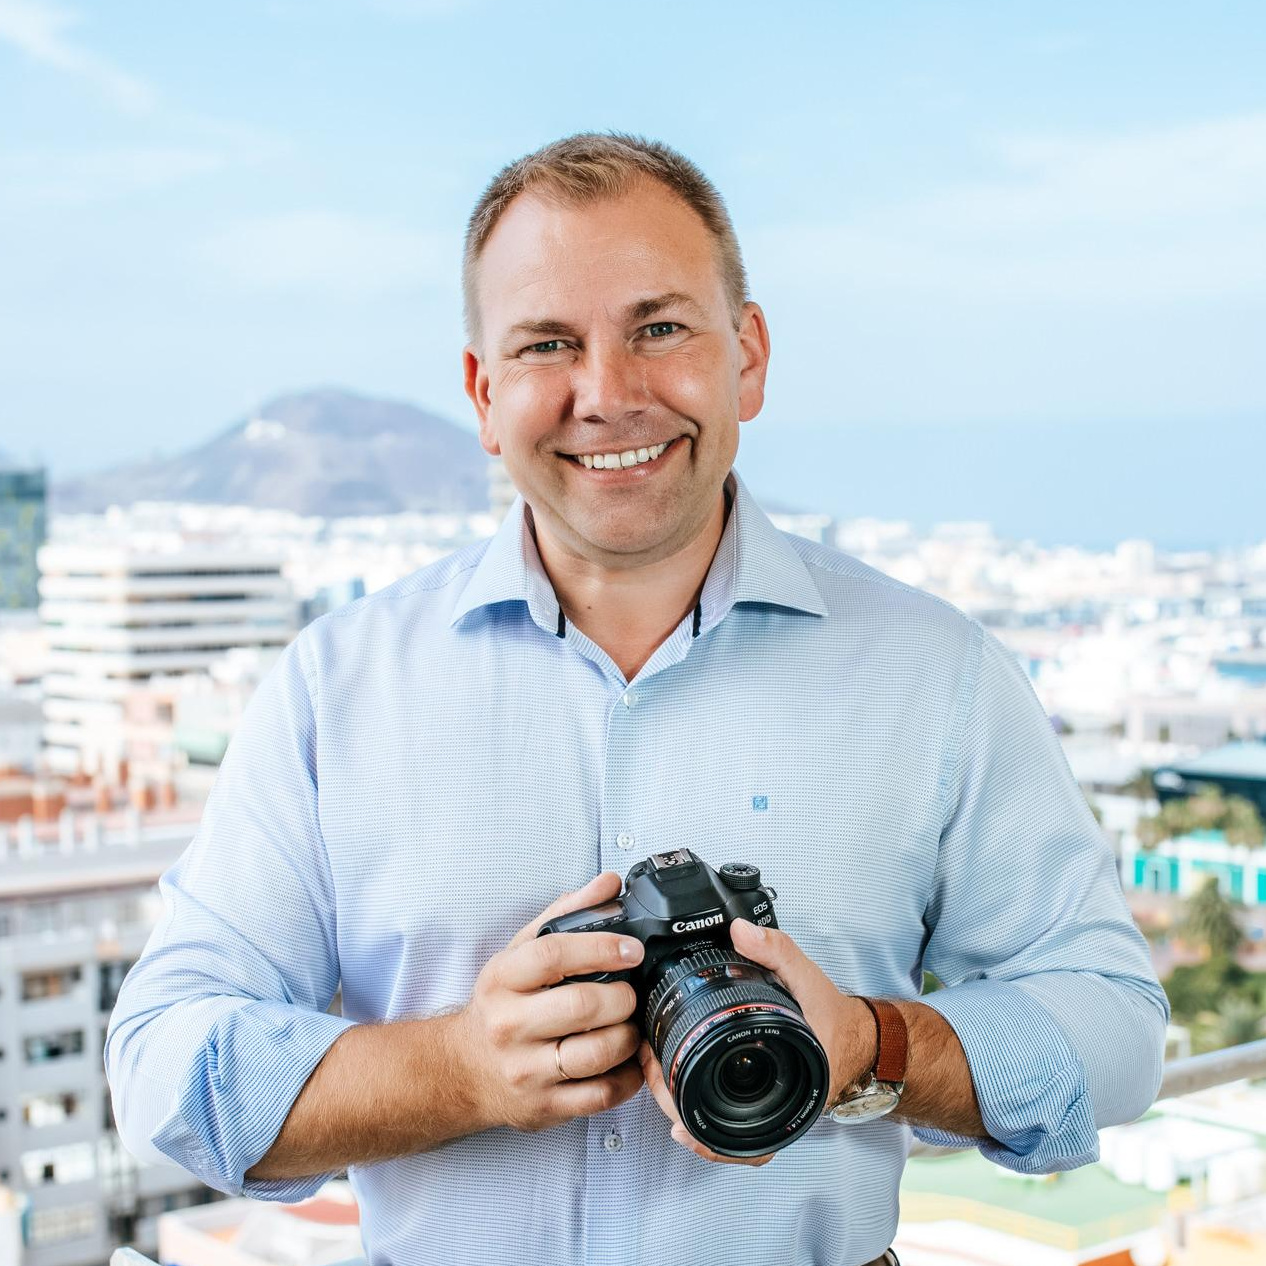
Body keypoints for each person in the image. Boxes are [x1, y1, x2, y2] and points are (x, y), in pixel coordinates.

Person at [105, 133, 1169, 1266]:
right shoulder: (335, 687)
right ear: (482, 392)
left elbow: (1113, 1028)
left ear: (747, 356)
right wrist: (462, 1067)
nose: (607, 396)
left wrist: (868, 1044)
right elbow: (166, 1061)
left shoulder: (934, 671)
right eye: (547, 344)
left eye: (659, 328)